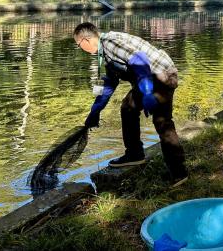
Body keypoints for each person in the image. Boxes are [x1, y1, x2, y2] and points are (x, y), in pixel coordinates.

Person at [74, 22, 188, 184]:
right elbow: (109, 83)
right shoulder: (104, 53)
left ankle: (179, 173)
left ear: (85, 40)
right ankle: (135, 154)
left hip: (161, 75)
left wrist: (147, 92)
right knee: (128, 107)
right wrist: (95, 110)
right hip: (152, 76)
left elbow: (139, 60)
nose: (81, 49)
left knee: (162, 122)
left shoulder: (110, 43)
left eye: (78, 45)